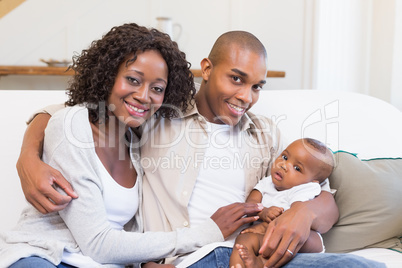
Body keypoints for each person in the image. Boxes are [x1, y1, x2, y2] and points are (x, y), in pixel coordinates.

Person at [15, 30, 384, 268]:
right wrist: (28, 157)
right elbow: (77, 111)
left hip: (245, 253)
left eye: (257, 87)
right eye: (236, 79)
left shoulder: (266, 135)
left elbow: (317, 190)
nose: (245, 96)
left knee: (363, 267)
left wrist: (303, 214)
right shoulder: (157, 115)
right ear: (206, 68)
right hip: (186, 257)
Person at [0, 23, 261, 268]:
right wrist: (28, 157)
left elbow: (125, 237)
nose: (143, 96)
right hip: (45, 256)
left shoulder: (137, 142)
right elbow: (98, 243)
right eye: (133, 80)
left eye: (157, 88)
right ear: (107, 76)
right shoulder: (73, 124)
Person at [229, 138, 335, 268]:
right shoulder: (266, 182)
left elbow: (294, 216)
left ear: (311, 182)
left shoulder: (303, 189)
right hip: (265, 238)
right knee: (243, 240)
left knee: (306, 238)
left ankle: (261, 262)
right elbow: (251, 204)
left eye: (297, 168)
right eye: (284, 157)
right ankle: (238, 265)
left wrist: (265, 226)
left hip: (300, 241)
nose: (283, 165)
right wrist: (264, 212)